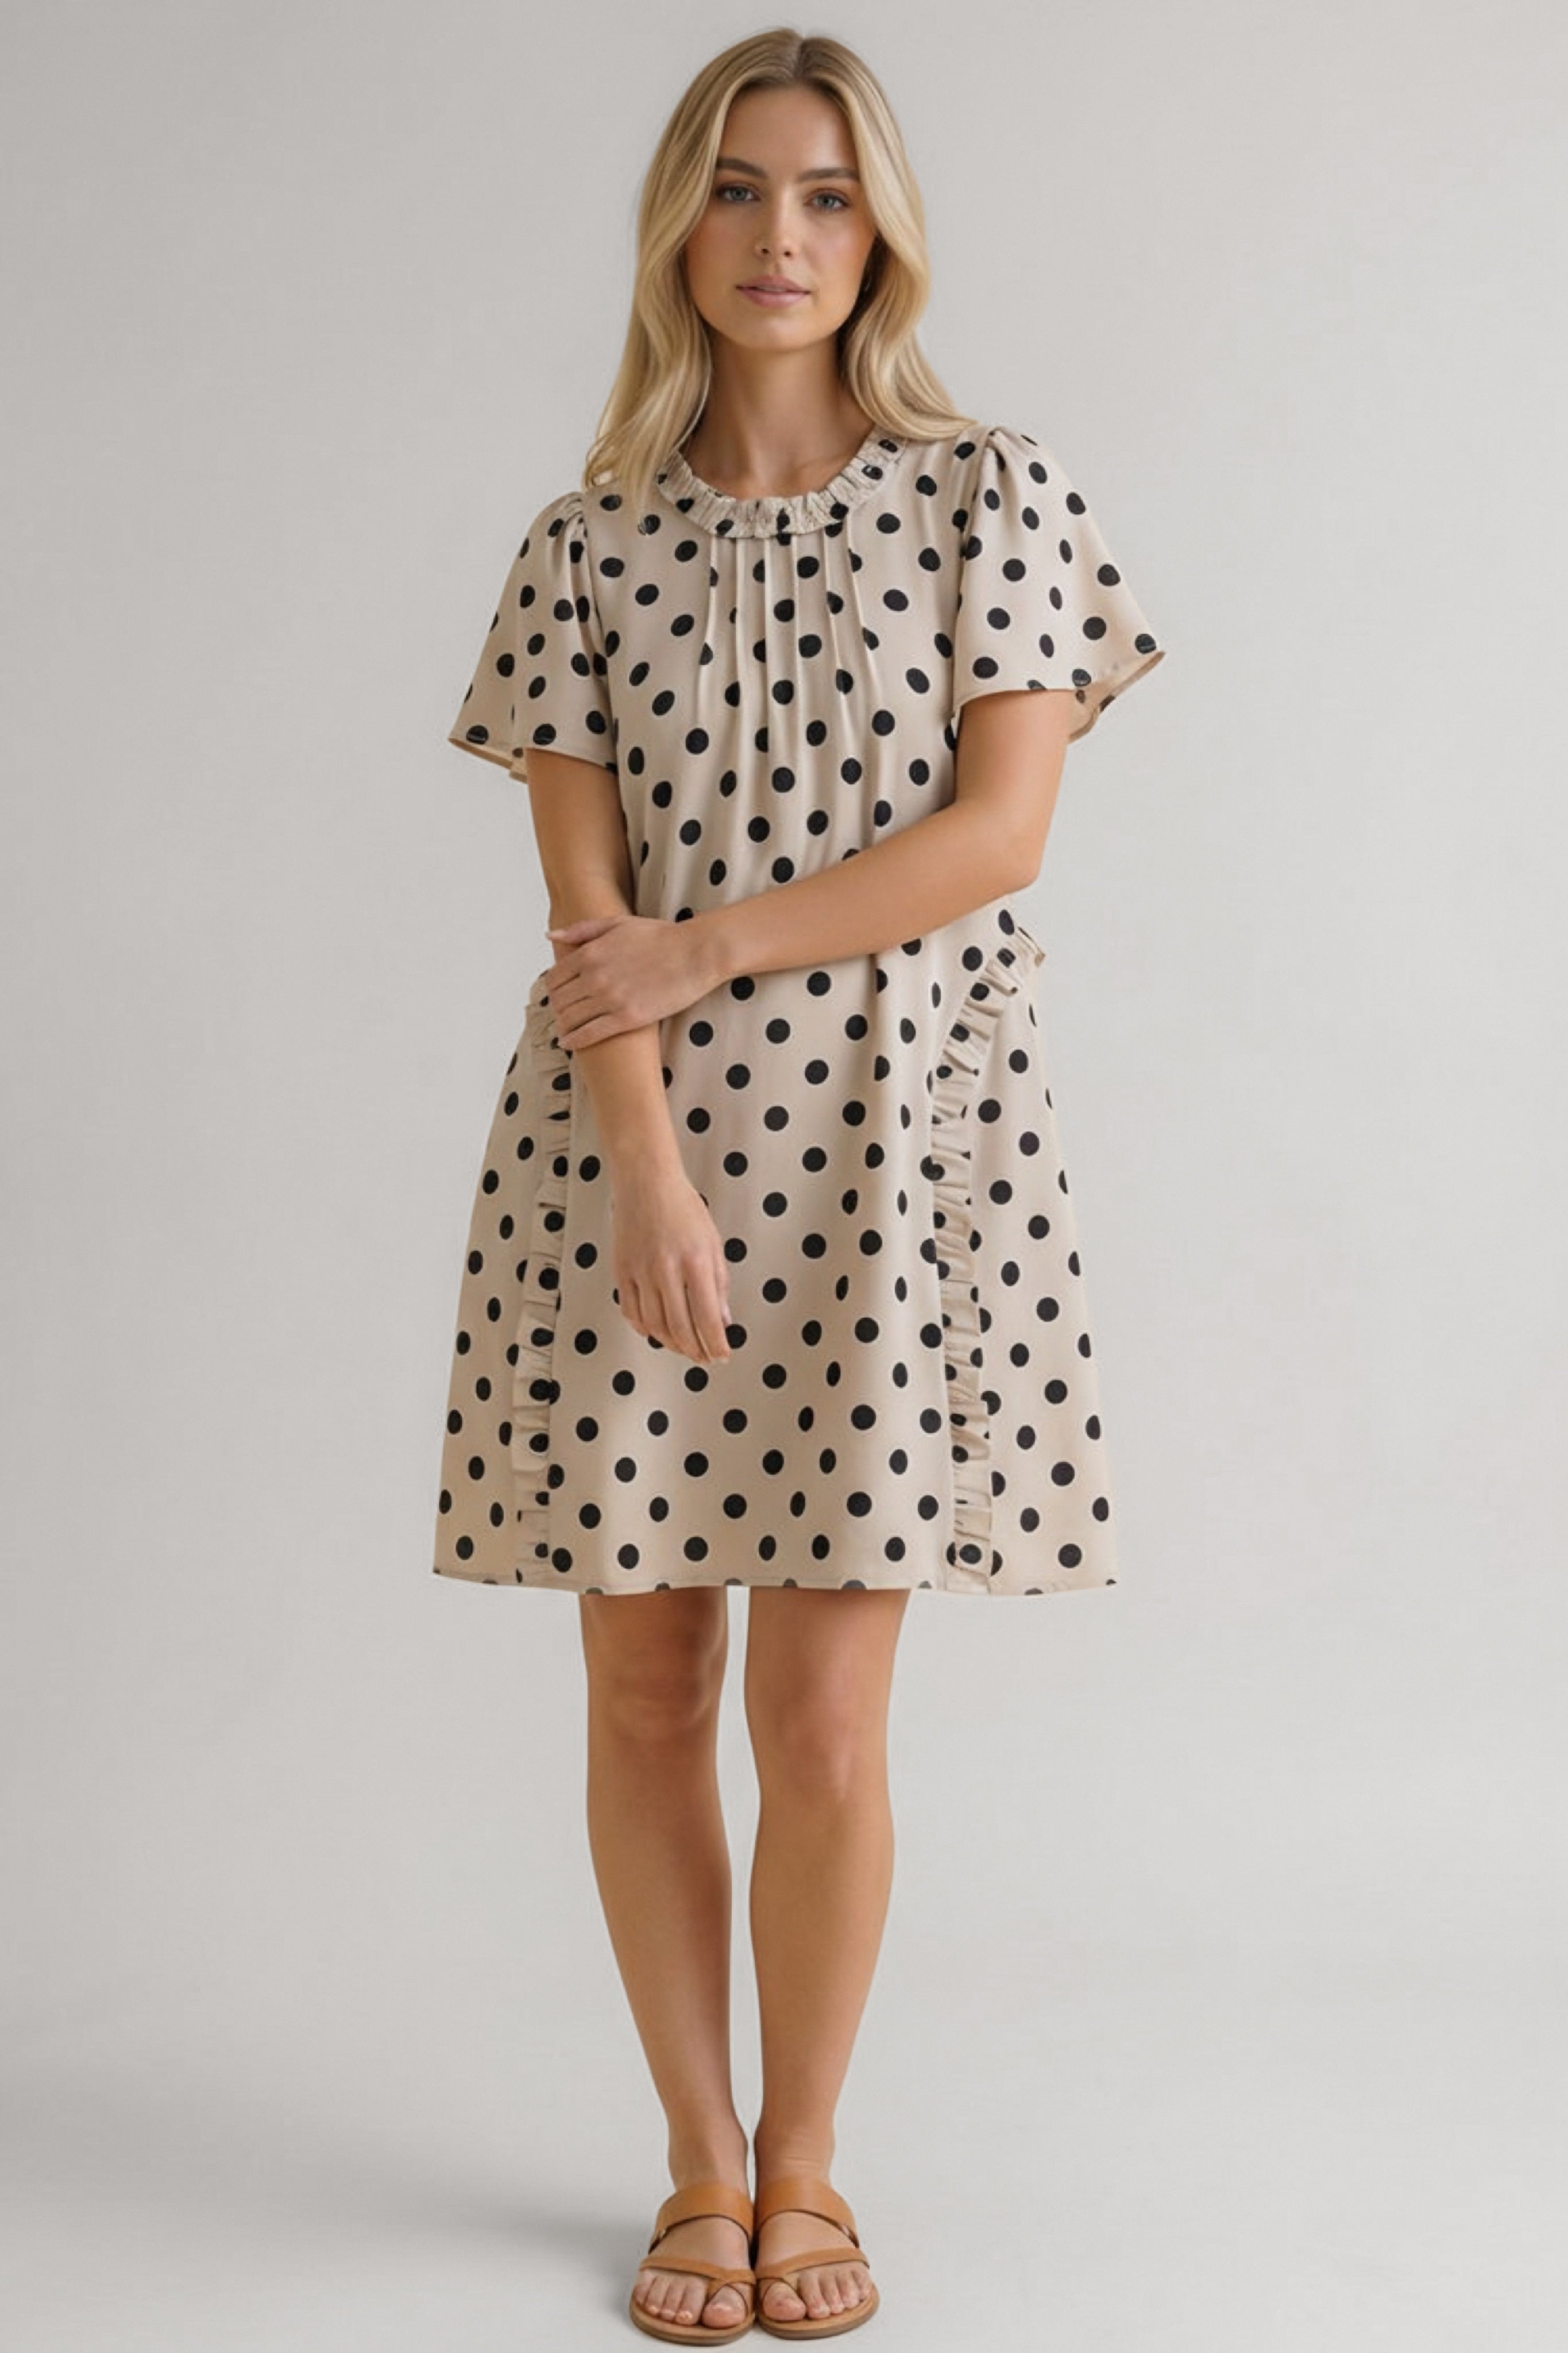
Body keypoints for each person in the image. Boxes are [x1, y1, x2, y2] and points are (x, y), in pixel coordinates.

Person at [432, 26, 1165, 2342]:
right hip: (626, 1159)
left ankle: (811, 2163)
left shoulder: (989, 496)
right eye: (739, 190)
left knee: (826, 1716)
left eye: (827, 195)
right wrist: (646, 1172)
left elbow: (998, 835)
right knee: (646, 1687)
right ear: (678, 223)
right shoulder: (580, 546)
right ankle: (697, 2165)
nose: (779, 237)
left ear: (881, 233)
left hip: (888, 1168)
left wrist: (710, 945)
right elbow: (586, 923)